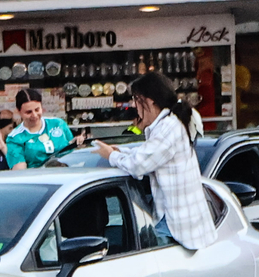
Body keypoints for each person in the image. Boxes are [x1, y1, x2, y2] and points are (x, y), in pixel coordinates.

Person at [94, 73, 228, 251]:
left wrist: (111, 155)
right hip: (175, 222)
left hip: (175, 225)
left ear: (149, 102)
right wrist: (121, 151)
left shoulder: (169, 127)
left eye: (136, 100)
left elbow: (138, 165)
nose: (134, 106)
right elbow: (148, 154)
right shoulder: (168, 124)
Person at [5, 89, 74, 168]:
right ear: (19, 111)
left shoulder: (58, 124)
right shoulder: (15, 138)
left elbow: (73, 151)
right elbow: (20, 171)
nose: (34, 115)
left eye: (37, 110)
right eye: (28, 112)